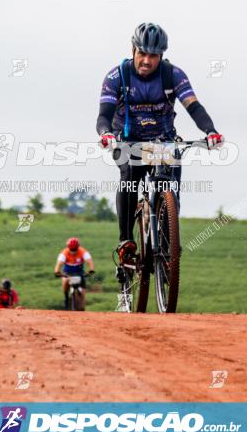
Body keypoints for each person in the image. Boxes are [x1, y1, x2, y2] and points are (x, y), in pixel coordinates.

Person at [95, 23, 223, 281]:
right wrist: (106, 134)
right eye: (142, 53)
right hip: (128, 140)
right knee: (130, 179)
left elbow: (193, 106)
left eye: (153, 55)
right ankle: (126, 241)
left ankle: (168, 241)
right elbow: (104, 115)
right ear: (133, 50)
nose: (146, 60)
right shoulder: (116, 76)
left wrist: (211, 131)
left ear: (161, 56)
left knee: (171, 191)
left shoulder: (173, 75)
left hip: (163, 141)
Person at [54, 237, 95, 309]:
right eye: (71, 249)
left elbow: (89, 261)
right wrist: (57, 271)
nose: (73, 251)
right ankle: (66, 297)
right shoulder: (64, 253)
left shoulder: (83, 252)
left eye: (75, 249)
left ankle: (82, 306)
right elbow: (59, 264)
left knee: (83, 292)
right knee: (65, 281)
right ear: (68, 248)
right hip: (67, 273)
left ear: (78, 247)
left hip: (79, 273)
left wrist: (91, 270)